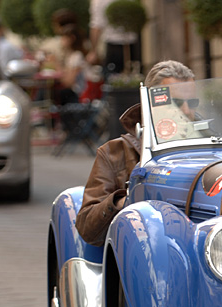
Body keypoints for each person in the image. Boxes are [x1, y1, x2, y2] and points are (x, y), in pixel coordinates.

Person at [75, 60, 195, 246]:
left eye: (192, 102)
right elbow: (87, 227)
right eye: (177, 104)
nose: (187, 111)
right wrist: (124, 201)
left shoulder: (216, 146)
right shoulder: (115, 152)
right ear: (152, 104)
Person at [88, 0, 139, 76]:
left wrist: (93, 50)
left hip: (113, 45)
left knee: (112, 80)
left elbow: (96, 25)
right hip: (133, 44)